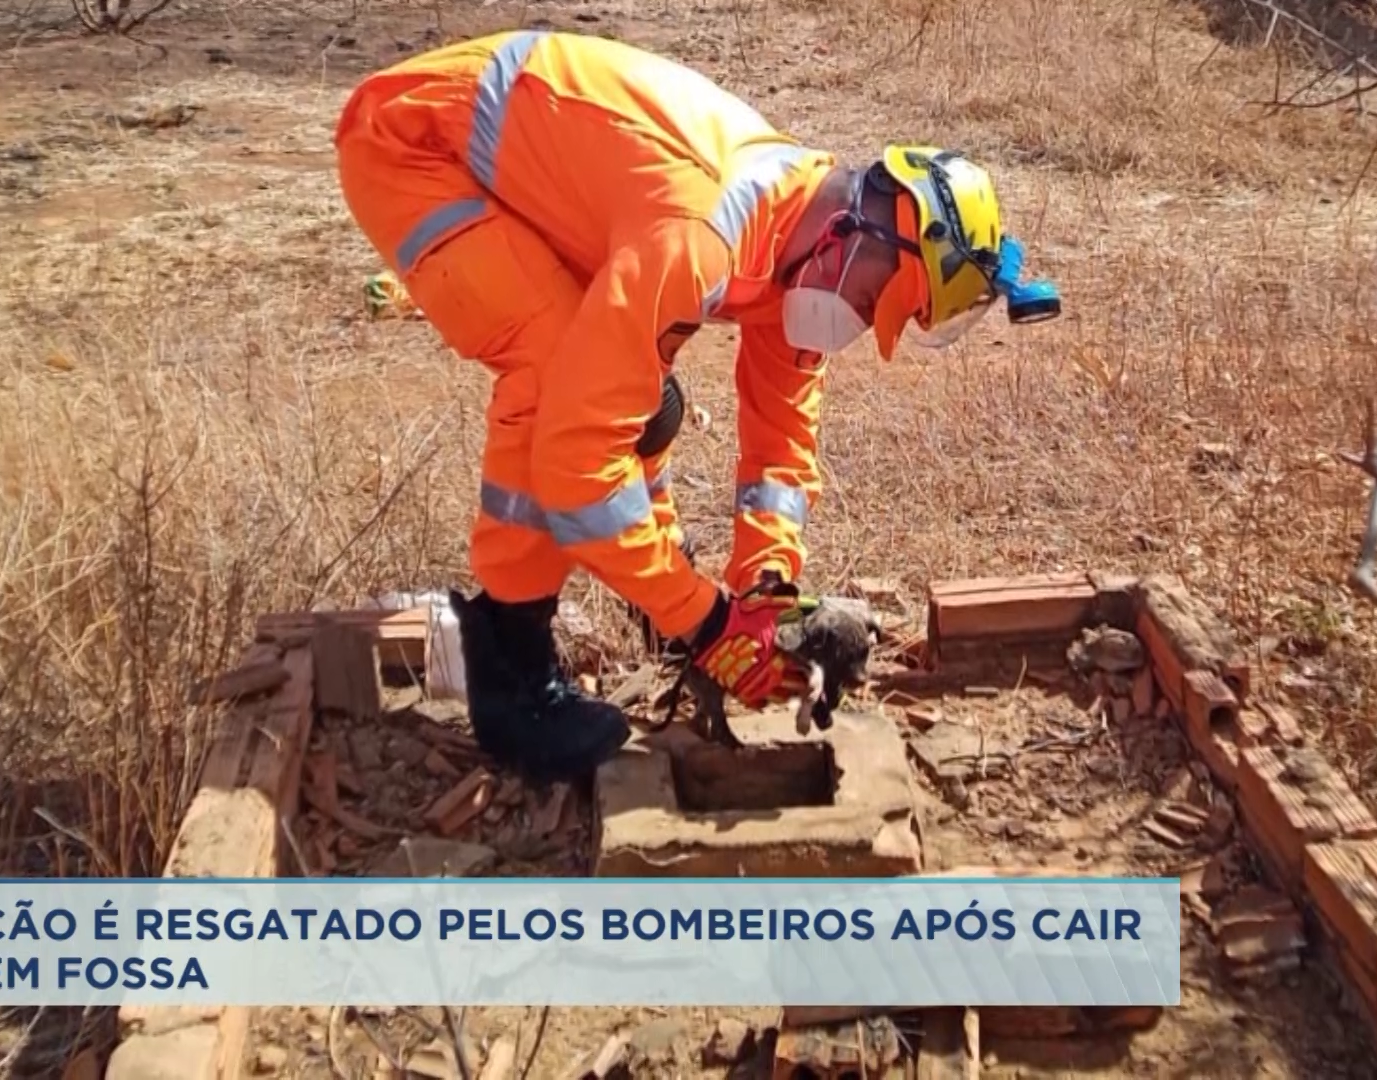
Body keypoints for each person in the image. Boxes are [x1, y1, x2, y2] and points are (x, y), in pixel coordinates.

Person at [333, 29, 1061, 782]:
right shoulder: (701, 232)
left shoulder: (803, 243)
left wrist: (765, 593)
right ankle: (509, 666)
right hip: (413, 144)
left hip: (510, 163)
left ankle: (659, 588)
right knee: (557, 382)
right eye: (875, 298)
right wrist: (707, 622)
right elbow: (577, 471)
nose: (860, 321)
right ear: (851, 234)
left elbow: (781, 448)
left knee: (641, 400)